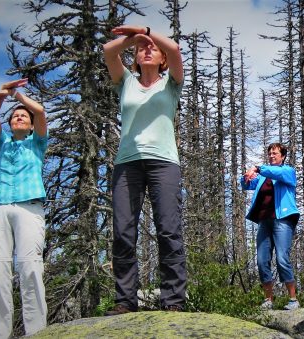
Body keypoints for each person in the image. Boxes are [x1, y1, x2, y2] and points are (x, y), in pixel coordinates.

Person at [102, 24, 186, 314]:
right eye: (141, 48)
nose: (146, 49)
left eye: (152, 47)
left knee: (168, 230)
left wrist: (146, 31)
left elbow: (174, 49)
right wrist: (133, 38)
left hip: (164, 162)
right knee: (124, 231)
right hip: (127, 163)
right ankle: (125, 300)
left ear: (162, 58)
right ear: (135, 56)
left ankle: (173, 299)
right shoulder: (124, 81)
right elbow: (107, 51)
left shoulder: (171, 83)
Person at [0, 78, 49, 338]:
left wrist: (18, 97)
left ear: (31, 125)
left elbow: (41, 112)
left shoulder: (37, 143)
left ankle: (37, 333)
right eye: (15, 117)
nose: (19, 118)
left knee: (30, 268)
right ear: (10, 124)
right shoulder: (2, 144)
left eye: (24, 116)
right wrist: (2, 96)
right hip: (0, 208)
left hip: (29, 208)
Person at [242, 143, 301, 311]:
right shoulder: (262, 176)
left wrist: (258, 168)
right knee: (261, 260)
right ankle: (268, 299)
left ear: (282, 156)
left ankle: (293, 299)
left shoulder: (287, 172)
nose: (271, 155)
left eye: (275, 153)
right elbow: (247, 185)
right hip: (264, 221)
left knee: (282, 258)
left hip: (282, 220)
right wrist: (246, 177)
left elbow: (275, 172)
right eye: (270, 153)